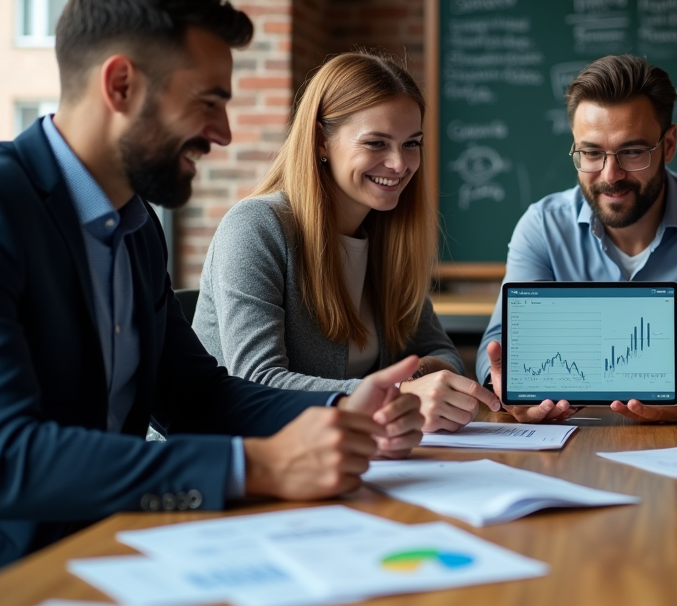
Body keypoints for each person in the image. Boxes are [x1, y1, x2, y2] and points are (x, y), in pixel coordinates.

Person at [0, 0, 424, 577]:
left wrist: (348, 406)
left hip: (120, 552)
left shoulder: (133, 228)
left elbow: (196, 397)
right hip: (10, 577)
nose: (223, 132)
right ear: (121, 86)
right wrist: (257, 468)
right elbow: (0, 459)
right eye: (207, 102)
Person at [478, 55, 677, 423]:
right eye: (591, 152)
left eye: (632, 151)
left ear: (668, 145)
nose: (610, 174)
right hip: (569, 436)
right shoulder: (542, 225)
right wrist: (503, 384)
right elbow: (498, 350)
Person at [193, 52, 500, 431]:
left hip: (343, 456)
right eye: (376, 143)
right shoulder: (256, 227)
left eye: (411, 144)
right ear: (322, 141)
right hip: (229, 461)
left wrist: (421, 378)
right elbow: (258, 382)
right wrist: (400, 394)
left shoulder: (388, 237)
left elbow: (443, 355)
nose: (400, 164)